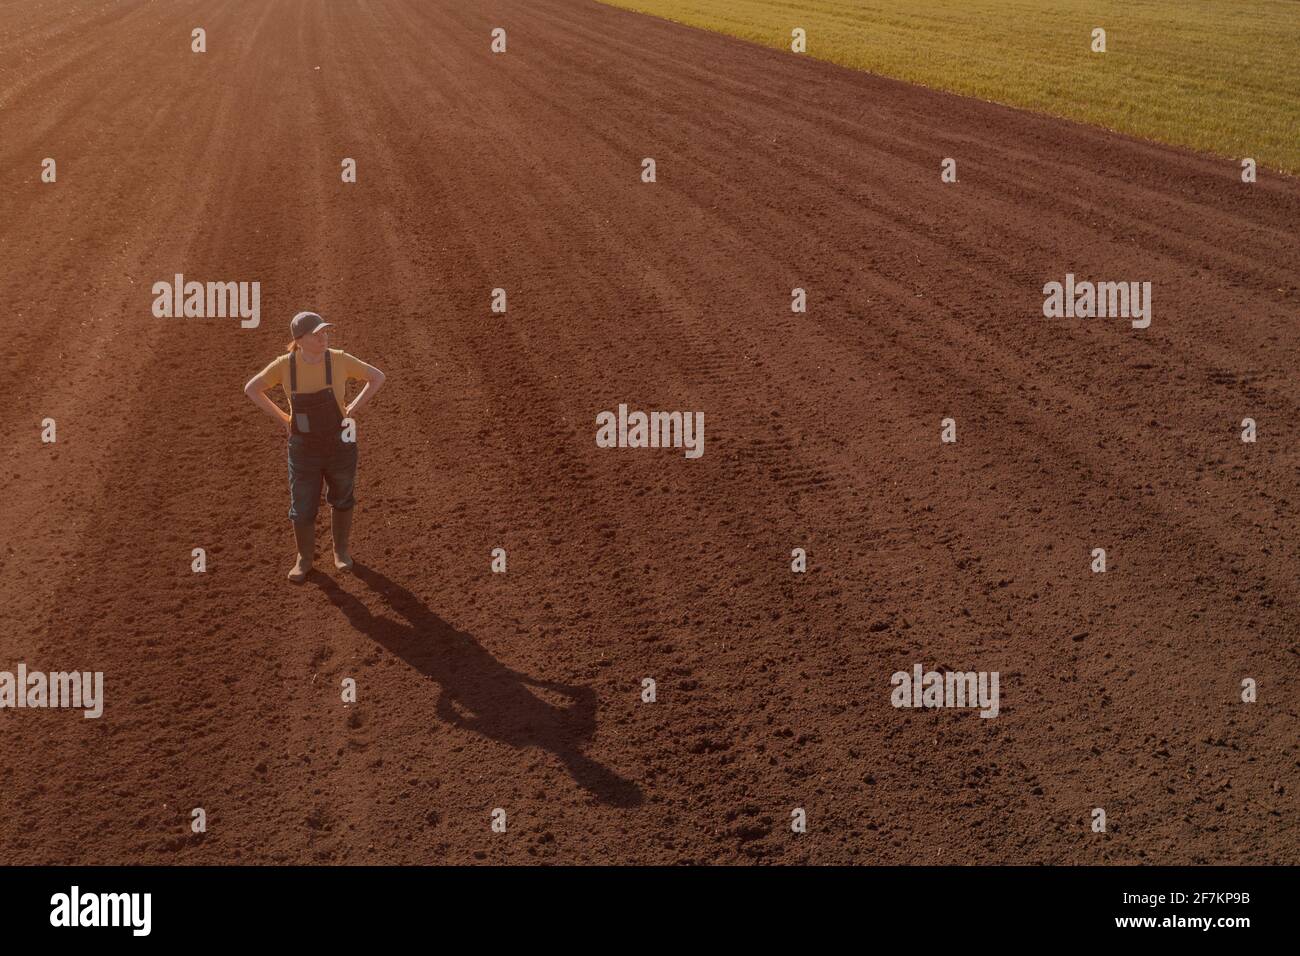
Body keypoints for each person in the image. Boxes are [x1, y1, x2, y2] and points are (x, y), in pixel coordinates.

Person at [244, 312, 386, 582]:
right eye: (316, 334)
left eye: (325, 332)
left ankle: (341, 552)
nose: (323, 337)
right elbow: (251, 389)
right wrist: (284, 419)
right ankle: (304, 559)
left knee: (343, 494)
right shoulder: (285, 365)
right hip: (303, 446)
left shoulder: (339, 359)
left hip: (340, 441)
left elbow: (377, 377)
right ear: (299, 340)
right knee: (302, 503)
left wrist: (351, 409)